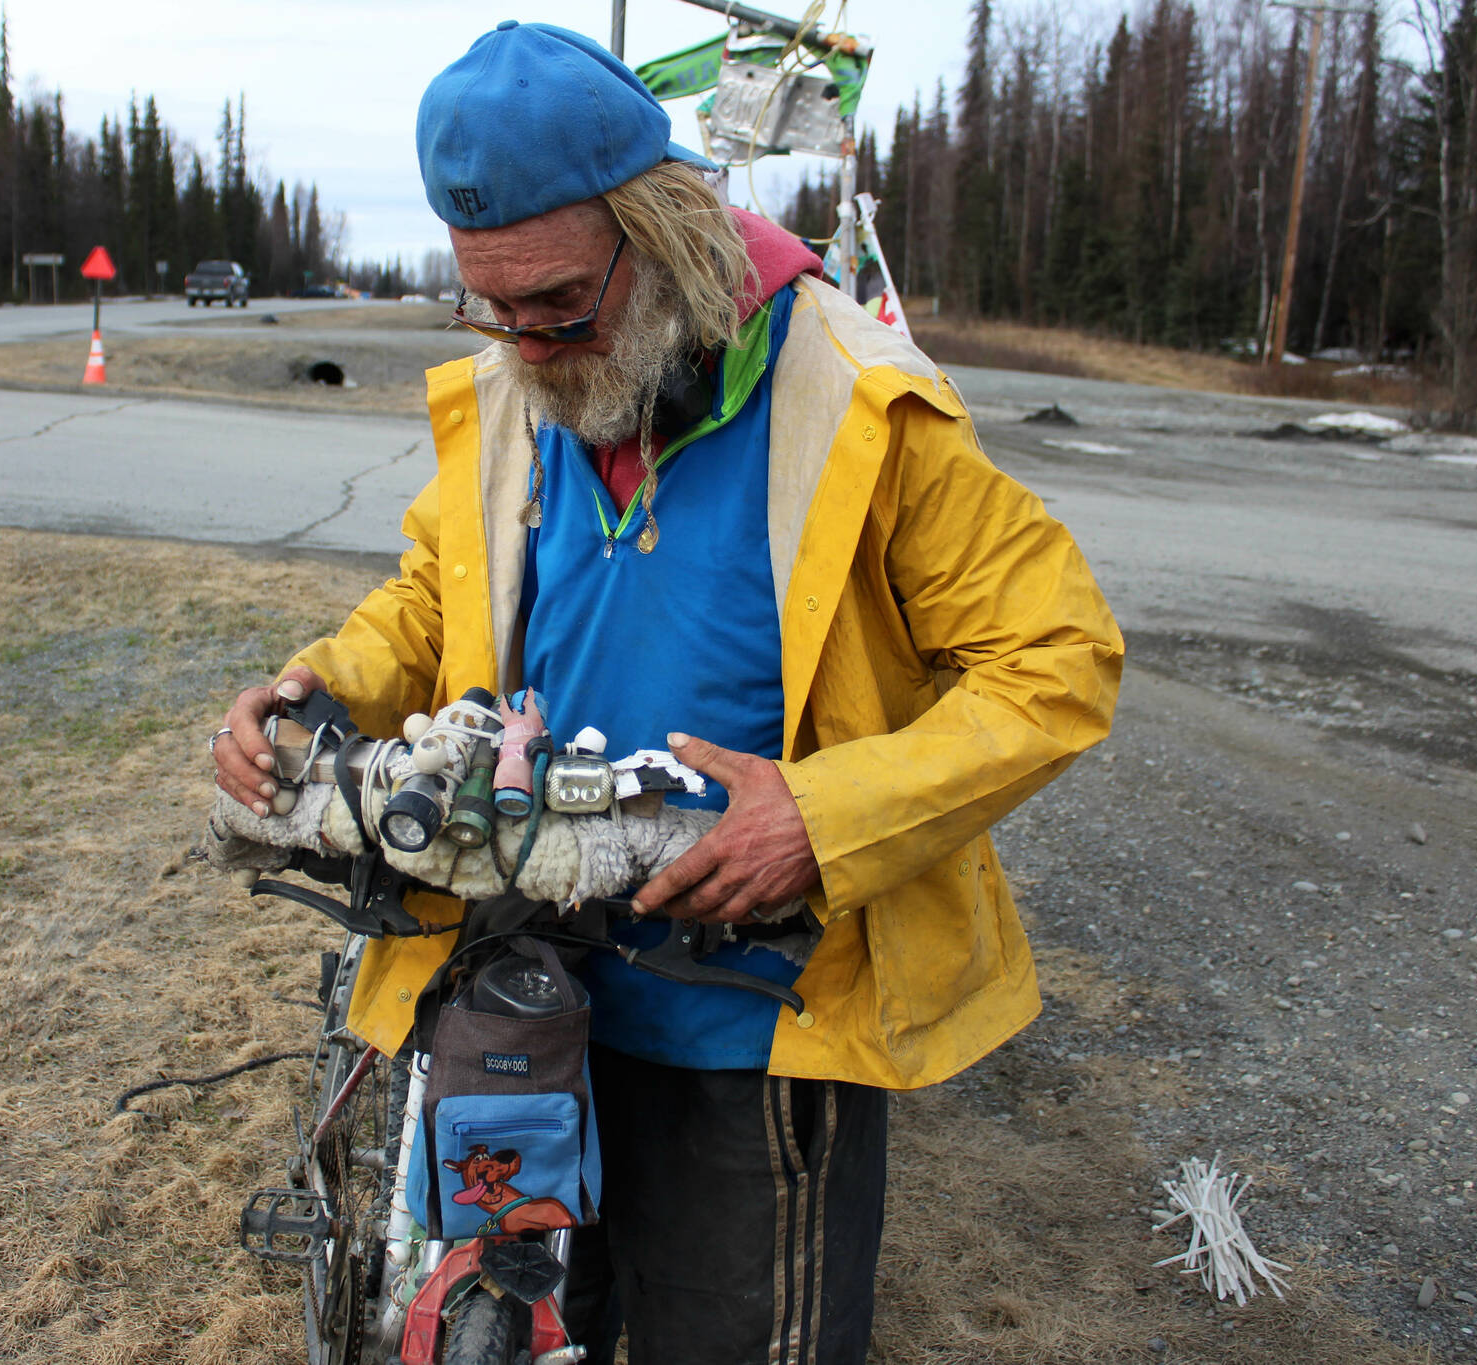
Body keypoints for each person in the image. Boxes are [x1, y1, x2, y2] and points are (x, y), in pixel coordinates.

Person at [213, 21, 1123, 1364]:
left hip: (757, 1033)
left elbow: (1060, 656)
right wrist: (315, 688)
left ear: (666, 234)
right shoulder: (527, 385)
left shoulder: (859, 398)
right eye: (491, 306)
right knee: (510, 1333)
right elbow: (435, 595)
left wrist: (823, 814)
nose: (525, 343)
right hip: (520, 992)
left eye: (560, 304)